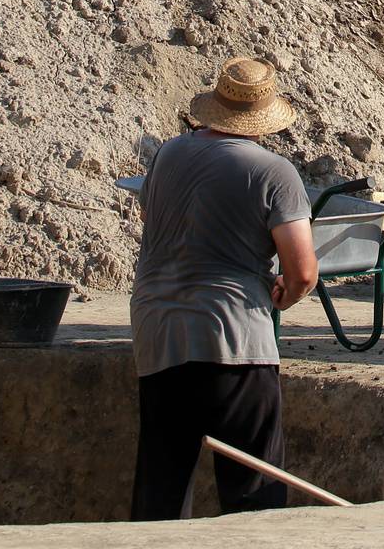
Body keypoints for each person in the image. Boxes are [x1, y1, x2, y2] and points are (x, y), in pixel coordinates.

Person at [130, 57, 319, 518]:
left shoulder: (167, 155)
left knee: (162, 483)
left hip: (158, 333)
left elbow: (153, 222)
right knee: (253, 490)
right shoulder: (274, 172)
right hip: (233, 338)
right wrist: (285, 295)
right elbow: (303, 271)